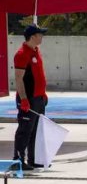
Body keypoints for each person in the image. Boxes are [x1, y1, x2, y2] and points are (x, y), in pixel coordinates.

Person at [13, 24, 49, 171]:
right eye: (40, 34)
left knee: (36, 130)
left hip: (38, 98)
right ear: (33, 37)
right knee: (25, 130)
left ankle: (34, 159)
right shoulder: (22, 54)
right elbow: (18, 79)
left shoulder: (36, 51)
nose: (42, 37)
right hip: (28, 99)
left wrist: (43, 94)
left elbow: (39, 75)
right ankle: (18, 160)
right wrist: (23, 99)